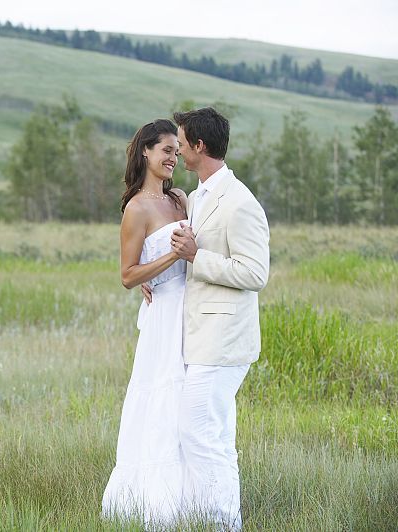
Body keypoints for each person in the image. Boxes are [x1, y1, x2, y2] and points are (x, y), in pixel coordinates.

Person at [166, 107, 270, 529]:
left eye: (180, 140)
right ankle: (220, 521)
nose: (176, 147)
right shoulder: (197, 196)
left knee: (197, 433)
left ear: (199, 146)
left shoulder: (240, 202)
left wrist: (197, 256)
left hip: (224, 341)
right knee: (216, 439)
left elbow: (254, 273)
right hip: (200, 337)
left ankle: (221, 522)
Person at [102, 119, 189, 526]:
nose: (173, 157)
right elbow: (127, 275)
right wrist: (170, 258)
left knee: (191, 403)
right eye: (166, 150)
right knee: (161, 400)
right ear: (146, 153)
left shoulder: (182, 200)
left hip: (192, 310)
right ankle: (155, 503)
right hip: (163, 317)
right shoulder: (137, 209)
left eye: (177, 150)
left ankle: (195, 495)